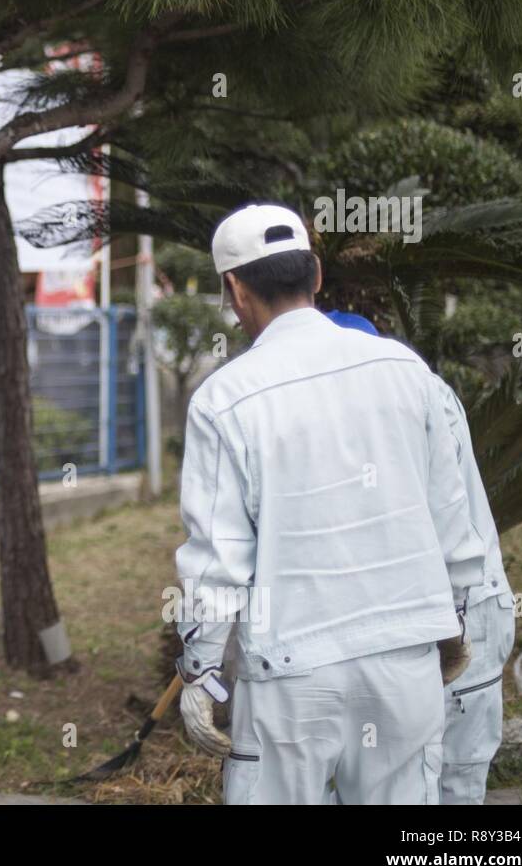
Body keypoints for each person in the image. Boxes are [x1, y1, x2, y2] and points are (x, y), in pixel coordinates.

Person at [173, 202, 486, 804]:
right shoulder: (405, 370)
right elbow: (453, 514)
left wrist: (202, 671)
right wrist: (455, 614)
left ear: (234, 290)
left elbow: (218, 557)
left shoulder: (224, 399)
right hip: (406, 659)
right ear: (316, 274)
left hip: (291, 674)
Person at [325, 312, 516, 803]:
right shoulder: (375, 398)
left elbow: (437, 524)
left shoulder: (414, 396)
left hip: (463, 611)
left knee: (452, 780)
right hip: (422, 617)